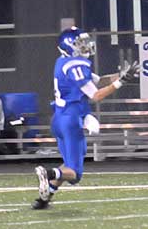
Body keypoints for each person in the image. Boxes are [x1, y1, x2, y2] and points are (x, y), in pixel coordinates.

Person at [32, 26, 139, 209]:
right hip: (71, 119)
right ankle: (48, 173)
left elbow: (99, 81)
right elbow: (96, 95)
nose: (85, 46)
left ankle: (44, 199)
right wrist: (121, 83)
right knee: (75, 173)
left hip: (60, 118)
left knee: (68, 165)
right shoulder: (76, 65)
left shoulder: (63, 62)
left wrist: (122, 75)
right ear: (68, 46)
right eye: (79, 44)